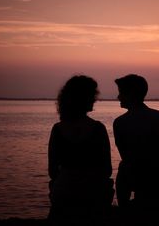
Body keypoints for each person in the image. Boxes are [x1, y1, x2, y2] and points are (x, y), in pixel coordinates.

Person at [47, 75, 114, 223]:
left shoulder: (58, 129)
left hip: (64, 193)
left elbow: (52, 171)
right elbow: (107, 170)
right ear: (84, 99)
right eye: (92, 95)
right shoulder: (98, 128)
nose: (95, 99)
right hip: (93, 194)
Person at [113, 74, 159, 208]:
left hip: (137, 177)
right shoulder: (158, 116)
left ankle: (123, 208)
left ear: (131, 94)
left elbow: (125, 156)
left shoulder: (120, 122)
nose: (118, 97)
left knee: (123, 165)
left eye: (121, 93)